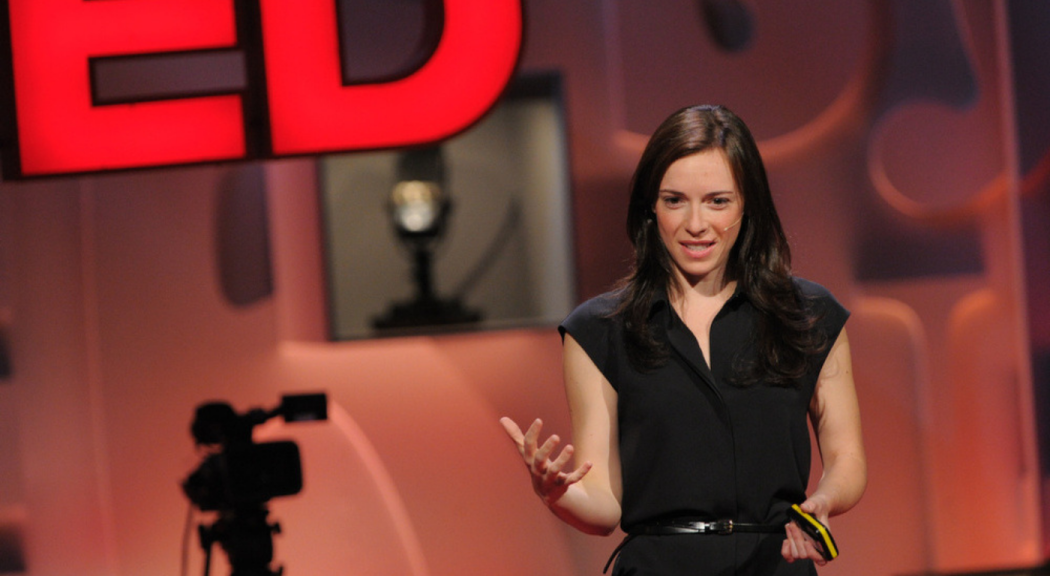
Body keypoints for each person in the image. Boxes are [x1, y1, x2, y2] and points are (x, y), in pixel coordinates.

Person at [500, 105, 866, 575]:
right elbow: (604, 506)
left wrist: (823, 500)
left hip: (773, 565)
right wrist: (557, 494)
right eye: (675, 201)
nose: (696, 223)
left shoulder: (808, 315)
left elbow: (847, 457)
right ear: (651, 207)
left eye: (717, 201)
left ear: (747, 205)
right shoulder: (599, 330)